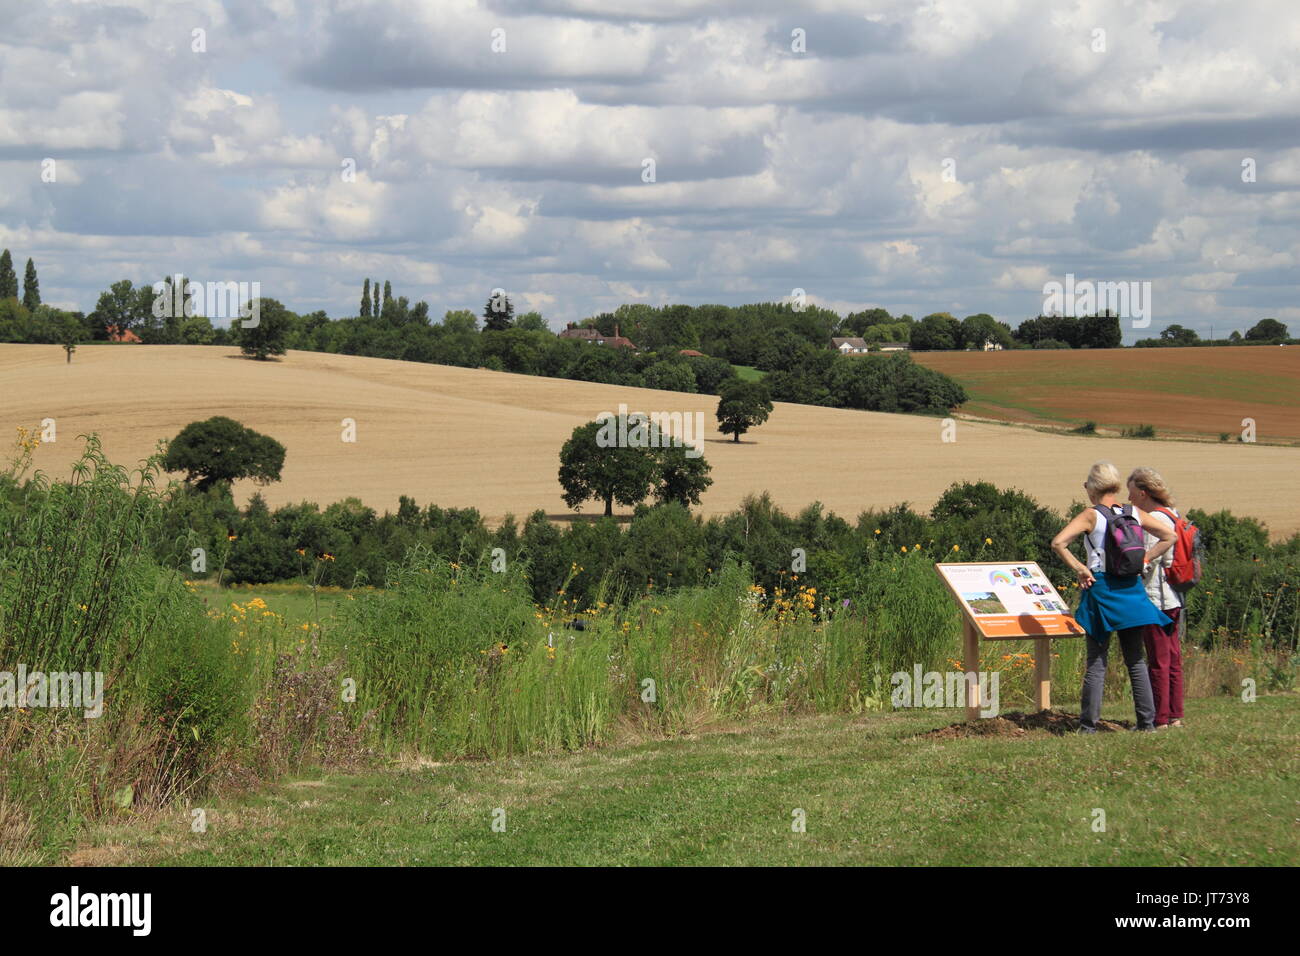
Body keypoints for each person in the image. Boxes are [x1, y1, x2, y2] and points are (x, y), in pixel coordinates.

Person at [1050, 461, 1176, 733]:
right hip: (1131, 589)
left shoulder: (1091, 515)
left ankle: (1088, 726)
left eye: (1086, 484)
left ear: (1093, 487)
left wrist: (1080, 568)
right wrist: (1146, 558)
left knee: (1097, 660)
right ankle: (1146, 723)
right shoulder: (1133, 512)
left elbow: (1058, 542)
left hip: (1102, 589)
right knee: (1136, 658)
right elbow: (1170, 535)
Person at [1127, 467, 1185, 729]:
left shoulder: (1153, 521)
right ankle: (1175, 715)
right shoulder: (1174, 515)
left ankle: (1159, 719)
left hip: (1156, 597)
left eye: (1131, 494)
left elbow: (1148, 561)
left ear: (1142, 493)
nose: (1129, 500)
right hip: (1175, 594)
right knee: (1172, 658)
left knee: (1157, 661)